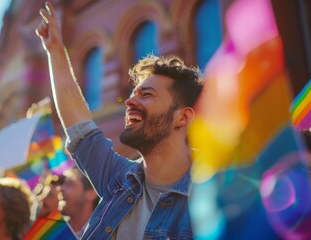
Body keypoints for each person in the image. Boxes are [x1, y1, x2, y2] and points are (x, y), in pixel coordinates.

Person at [36, 2, 204, 239]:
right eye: (132, 94)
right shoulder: (121, 180)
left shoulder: (209, 197)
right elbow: (80, 128)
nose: (129, 102)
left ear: (183, 116)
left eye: (146, 95)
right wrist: (54, 50)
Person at [60, 167, 99, 238]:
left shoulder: (103, 233)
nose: (61, 188)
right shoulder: (52, 231)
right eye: (63, 184)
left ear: (91, 193)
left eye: (69, 184)